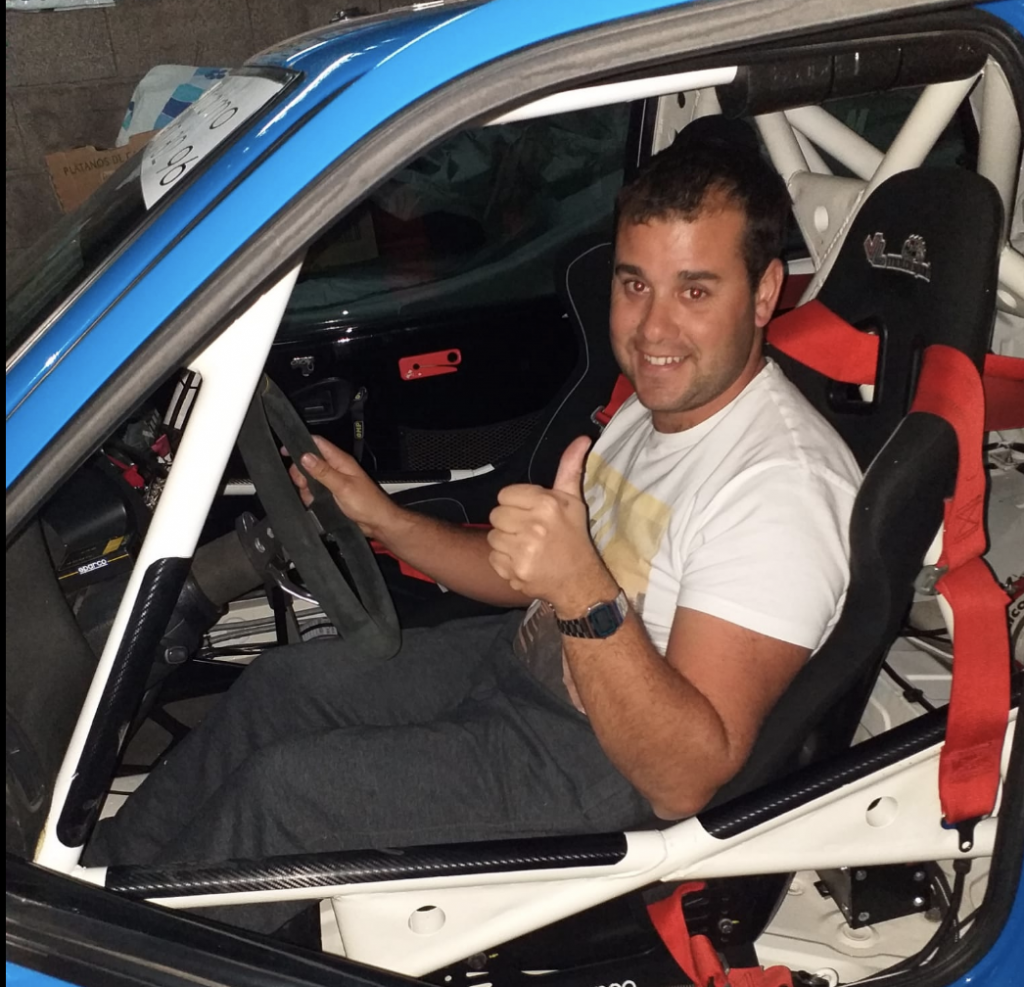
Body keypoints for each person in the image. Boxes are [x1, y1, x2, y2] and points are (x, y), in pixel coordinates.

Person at [87, 124, 861, 933]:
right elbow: (523, 577)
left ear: (765, 293)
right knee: (278, 690)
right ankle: (93, 883)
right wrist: (383, 517)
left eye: (694, 292)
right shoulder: (660, 408)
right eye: (635, 284)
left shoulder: (779, 489)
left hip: (598, 763)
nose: (652, 330)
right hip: (528, 661)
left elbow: (683, 778)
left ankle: (124, 956)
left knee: (287, 793)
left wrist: (581, 589)